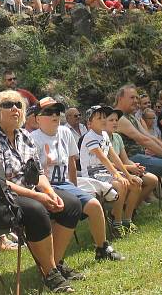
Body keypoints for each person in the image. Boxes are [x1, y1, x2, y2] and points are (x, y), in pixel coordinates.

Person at [0, 91, 82, 292]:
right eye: (8, 104)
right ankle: (50, 273)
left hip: (29, 191)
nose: (15, 108)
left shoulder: (24, 135)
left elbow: (38, 173)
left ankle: (55, 264)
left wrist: (50, 193)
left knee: (71, 204)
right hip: (2, 198)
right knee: (36, 209)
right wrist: (38, 196)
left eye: (18, 104)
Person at [29, 100, 124, 260]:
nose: (54, 115)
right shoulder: (32, 139)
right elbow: (34, 174)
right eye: (48, 112)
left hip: (65, 184)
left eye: (57, 112)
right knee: (55, 216)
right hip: (45, 186)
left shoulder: (65, 133)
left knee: (94, 206)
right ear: (37, 118)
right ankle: (52, 262)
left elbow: (72, 162)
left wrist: (74, 187)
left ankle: (102, 248)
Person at [80, 105, 143, 238]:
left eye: (104, 117)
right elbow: (102, 158)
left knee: (136, 183)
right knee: (121, 185)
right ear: (90, 123)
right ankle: (117, 223)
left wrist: (127, 174)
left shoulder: (104, 135)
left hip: (105, 172)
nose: (103, 120)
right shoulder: (89, 137)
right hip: (93, 175)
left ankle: (127, 220)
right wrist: (117, 175)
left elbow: (114, 156)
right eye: (99, 118)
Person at [105, 110, 158, 204]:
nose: (115, 122)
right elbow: (106, 164)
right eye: (111, 120)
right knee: (135, 183)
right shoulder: (100, 139)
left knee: (152, 180)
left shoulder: (117, 137)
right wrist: (130, 168)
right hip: (109, 173)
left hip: (122, 169)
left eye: (116, 120)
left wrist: (136, 167)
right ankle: (121, 212)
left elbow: (125, 159)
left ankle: (131, 208)